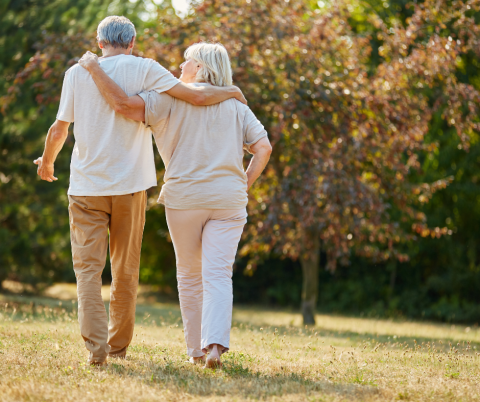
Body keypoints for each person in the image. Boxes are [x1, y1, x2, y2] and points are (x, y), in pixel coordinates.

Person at [34, 16, 247, 367]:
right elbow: (194, 95)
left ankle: (96, 349)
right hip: (131, 187)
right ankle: (117, 347)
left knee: (87, 271)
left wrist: (47, 162)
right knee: (125, 270)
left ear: (99, 42)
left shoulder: (76, 73)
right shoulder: (147, 68)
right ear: (132, 41)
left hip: (86, 187)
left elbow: (60, 129)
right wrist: (232, 92)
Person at [78, 42, 272, 368]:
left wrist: (95, 70)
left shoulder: (166, 98)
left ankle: (195, 352)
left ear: (199, 67)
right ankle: (214, 347)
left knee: (190, 276)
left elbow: (125, 107)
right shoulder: (236, 104)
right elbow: (263, 148)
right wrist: (243, 183)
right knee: (219, 275)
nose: (179, 67)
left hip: (185, 198)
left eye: (186, 61)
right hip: (228, 199)